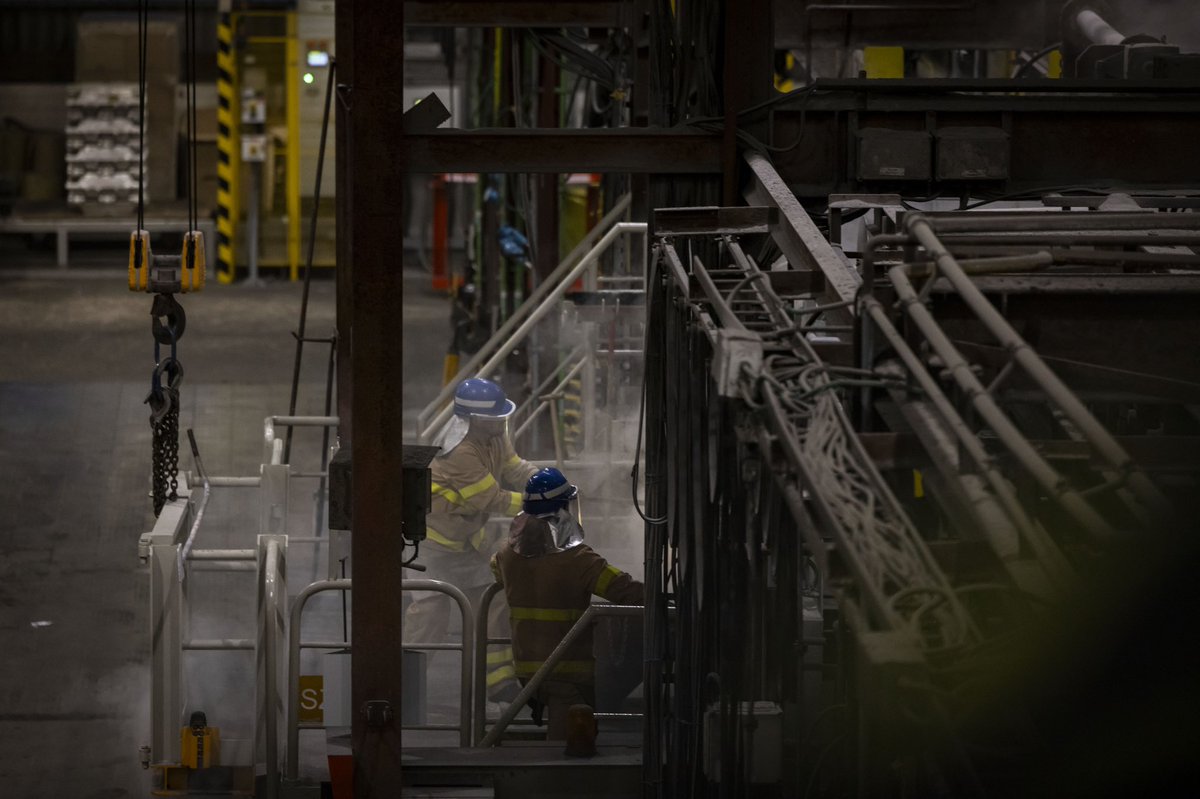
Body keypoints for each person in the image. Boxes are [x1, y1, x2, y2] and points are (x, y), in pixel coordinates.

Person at [409, 377, 538, 700]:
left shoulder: (494, 434)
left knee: (494, 602)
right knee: (429, 619)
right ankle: (404, 686)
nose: (503, 420)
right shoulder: (459, 451)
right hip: (433, 547)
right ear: (476, 420)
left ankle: (498, 683)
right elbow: (490, 499)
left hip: (467, 542)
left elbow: (513, 467)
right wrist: (541, 502)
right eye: (496, 417)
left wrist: (542, 479)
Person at [491, 467, 643, 739]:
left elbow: (501, 572)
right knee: (566, 751)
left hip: (528, 673)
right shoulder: (580, 561)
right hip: (568, 673)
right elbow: (625, 591)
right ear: (563, 509)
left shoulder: (505, 556)